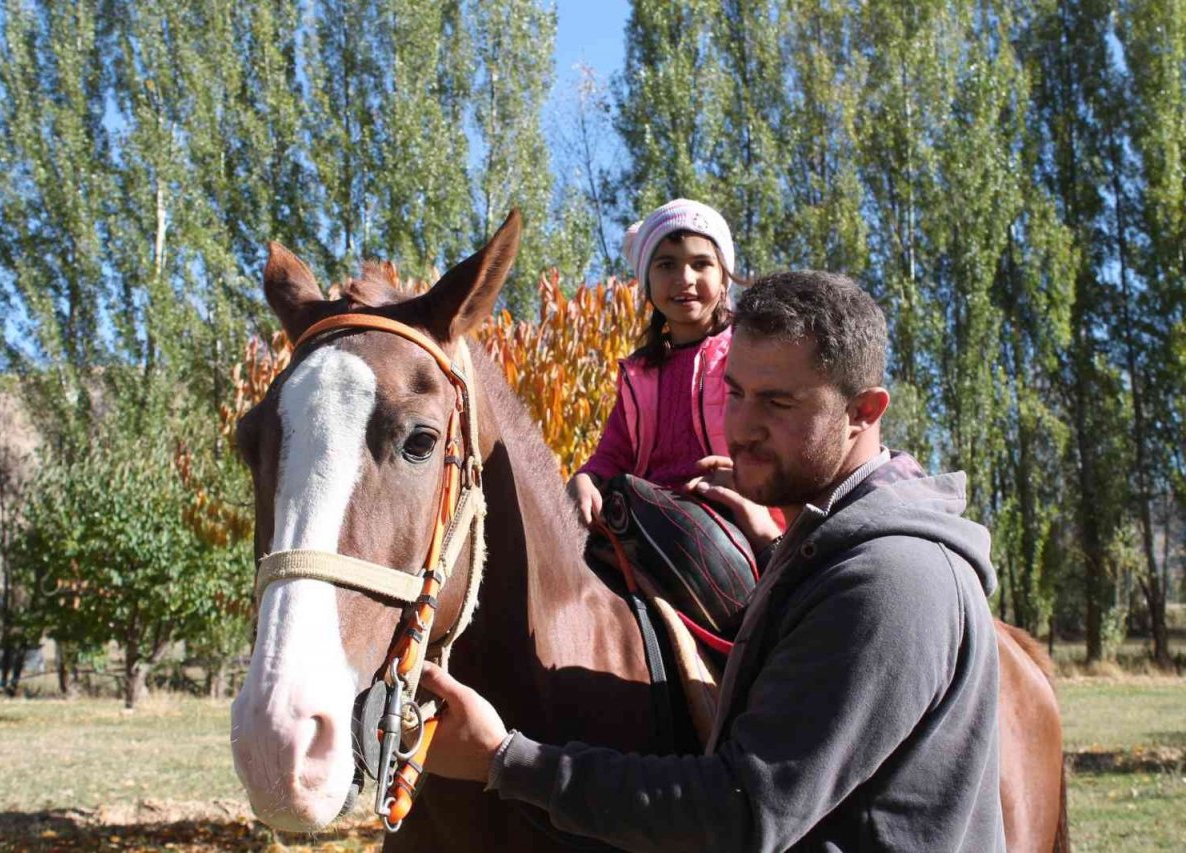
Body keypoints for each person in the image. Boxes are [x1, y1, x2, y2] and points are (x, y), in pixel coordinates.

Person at [420, 271, 1006, 851]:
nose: (741, 429)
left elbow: (744, 813)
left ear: (864, 412)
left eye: (777, 402)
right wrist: (781, 552)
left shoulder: (891, 582)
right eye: (736, 393)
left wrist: (504, 760)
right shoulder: (837, 557)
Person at [566, 198, 781, 536]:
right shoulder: (641, 375)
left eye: (701, 264)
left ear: (724, 275)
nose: (684, 278)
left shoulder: (751, 352)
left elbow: (781, 436)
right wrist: (586, 478)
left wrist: (748, 479)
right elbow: (615, 453)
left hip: (734, 515)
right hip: (652, 523)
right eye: (666, 265)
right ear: (646, 282)